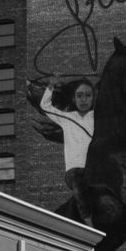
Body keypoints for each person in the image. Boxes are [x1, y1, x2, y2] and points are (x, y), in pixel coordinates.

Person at [40, 75, 95, 225]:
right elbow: (45, 106)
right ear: (74, 99)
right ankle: (88, 221)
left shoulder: (98, 117)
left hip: (94, 168)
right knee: (79, 183)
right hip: (74, 170)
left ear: (93, 98)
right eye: (80, 96)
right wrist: (50, 86)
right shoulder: (67, 118)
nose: (84, 100)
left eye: (88, 95)